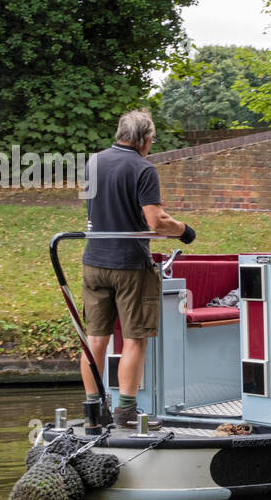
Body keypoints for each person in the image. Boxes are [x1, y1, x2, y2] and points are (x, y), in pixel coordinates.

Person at [80, 109, 196, 427]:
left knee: (96, 339)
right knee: (134, 338)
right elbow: (156, 221)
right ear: (144, 139)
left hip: (93, 262)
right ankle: (126, 413)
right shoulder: (143, 169)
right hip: (129, 264)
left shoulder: (93, 163)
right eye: (152, 140)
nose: (151, 146)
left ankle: (93, 411)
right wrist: (184, 230)